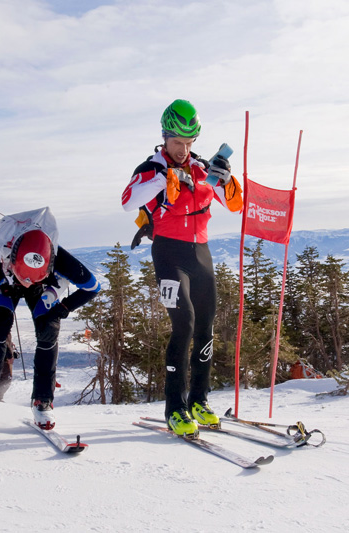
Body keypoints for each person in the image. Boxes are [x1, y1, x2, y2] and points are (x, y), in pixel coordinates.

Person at [121, 99, 243, 438]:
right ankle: (175, 406)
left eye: (189, 144)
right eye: (178, 143)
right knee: (184, 323)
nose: (183, 150)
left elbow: (234, 205)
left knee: (205, 325)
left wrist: (226, 179)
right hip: (169, 254)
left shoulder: (201, 167)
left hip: (200, 253)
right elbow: (128, 200)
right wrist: (165, 179)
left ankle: (199, 401)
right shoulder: (151, 168)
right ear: (165, 136)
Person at [0, 206, 99, 433]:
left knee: (48, 333)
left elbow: (92, 287)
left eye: (31, 280)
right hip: (4, 283)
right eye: (23, 279)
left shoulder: (61, 260)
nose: (26, 285)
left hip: (43, 285)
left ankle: (43, 400)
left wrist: (62, 309)